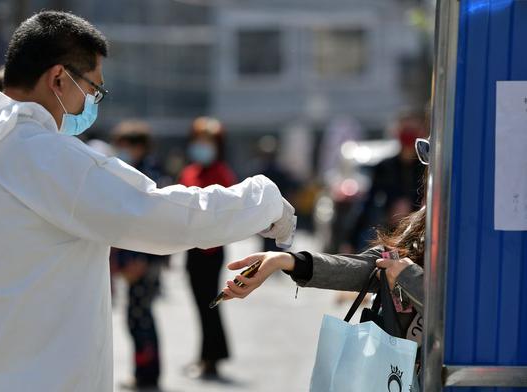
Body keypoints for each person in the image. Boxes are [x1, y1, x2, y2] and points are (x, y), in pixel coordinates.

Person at [0, 11, 295, 392]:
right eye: (93, 90)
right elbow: (155, 215)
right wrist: (264, 200)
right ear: (58, 78)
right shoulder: (41, 154)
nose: (93, 104)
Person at [223, 138, 431, 391]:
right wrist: (287, 261)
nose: (431, 173)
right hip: (400, 373)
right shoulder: (423, 221)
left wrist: (408, 277)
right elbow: (371, 265)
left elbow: (459, 313)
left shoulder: (477, 238)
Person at [110, 120, 171, 390]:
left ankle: (146, 374)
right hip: (137, 257)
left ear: (139, 147)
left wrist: (140, 260)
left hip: (143, 259)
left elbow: (150, 222)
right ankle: (146, 372)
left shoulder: (148, 174)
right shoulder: (136, 170)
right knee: (138, 317)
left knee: (140, 317)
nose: (121, 151)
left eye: (125, 146)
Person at [179, 117, 236, 379]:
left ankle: (211, 357)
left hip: (210, 250)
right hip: (193, 247)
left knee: (209, 303)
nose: (202, 146)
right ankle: (206, 355)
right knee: (201, 304)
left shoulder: (221, 173)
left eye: (207, 142)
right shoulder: (190, 171)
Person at [350, 111, 427, 251]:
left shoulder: (426, 167)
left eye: (412, 130)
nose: (408, 135)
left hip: (419, 236)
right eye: (405, 130)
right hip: (391, 235)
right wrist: (350, 240)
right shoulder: (385, 167)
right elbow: (368, 203)